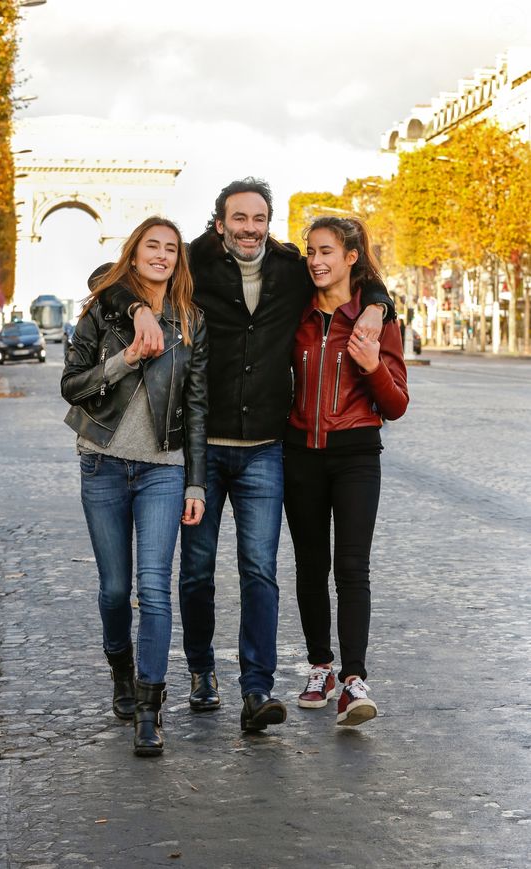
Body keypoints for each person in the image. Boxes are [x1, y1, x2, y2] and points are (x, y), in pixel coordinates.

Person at [97, 179, 394, 733]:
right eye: (239, 218)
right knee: (197, 572)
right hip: (202, 446)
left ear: (269, 222)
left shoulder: (289, 267)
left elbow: (358, 272)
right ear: (220, 222)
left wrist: (379, 304)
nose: (250, 228)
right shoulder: (191, 263)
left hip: (265, 448)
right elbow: (106, 277)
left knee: (261, 570)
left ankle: (256, 689)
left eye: (259, 218)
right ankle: (203, 672)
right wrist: (139, 307)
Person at [61, 217, 208, 756]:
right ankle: (120, 669)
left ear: (179, 260)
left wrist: (196, 483)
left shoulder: (191, 321)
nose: (163, 256)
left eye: (172, 249)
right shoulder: (104, 306)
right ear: (135, 251)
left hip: (163, 471)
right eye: (153, 246)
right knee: (114, 591)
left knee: (154, 589)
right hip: (101, 464)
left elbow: (195, 406)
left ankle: (150, 706)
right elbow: (70, 385)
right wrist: (125, 358)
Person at [283, 216, 408, 725]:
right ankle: (320, 666)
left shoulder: (377, 320)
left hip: (357, 454)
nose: (315, 260)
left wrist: (373, 363)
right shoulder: (296, 312)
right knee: (311, 567)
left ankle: (354, 680)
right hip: (300, 453)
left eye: (327, 251)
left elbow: (397, 404)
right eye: (311, 251)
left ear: (351, 256)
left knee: (353, 567)